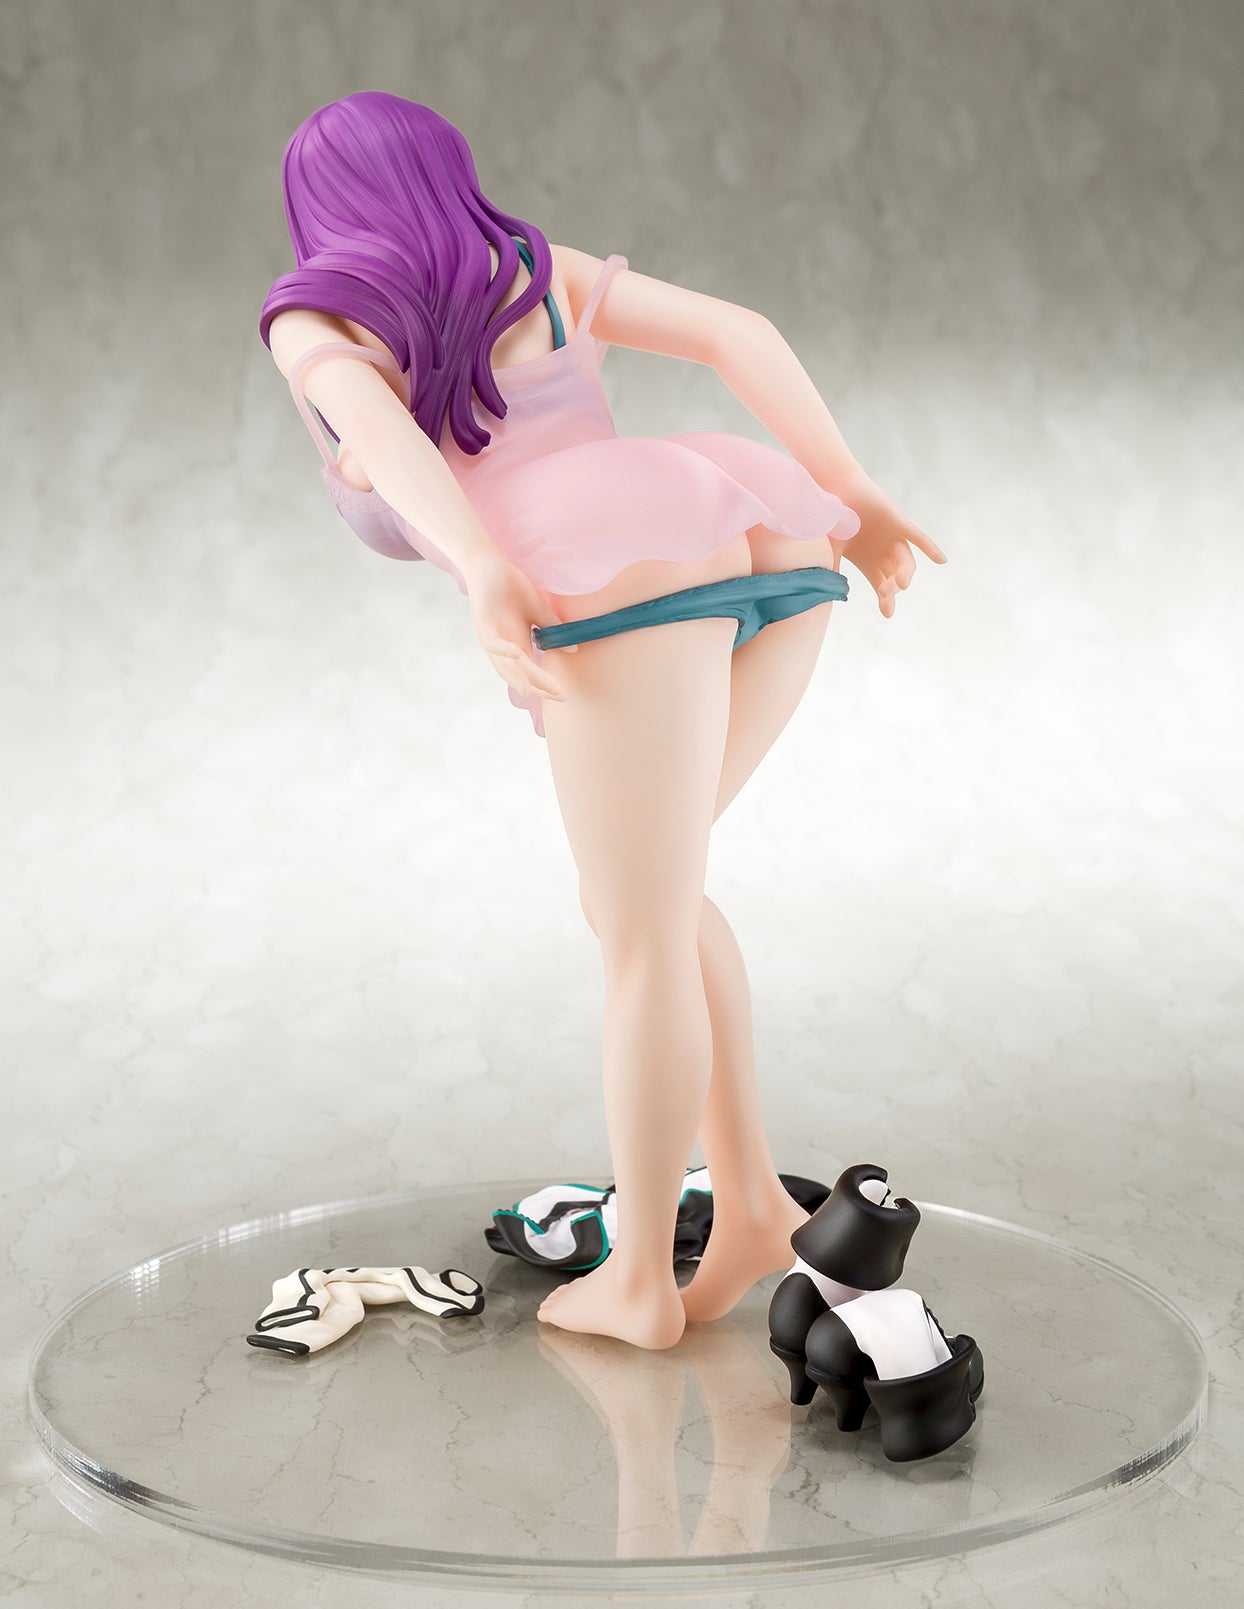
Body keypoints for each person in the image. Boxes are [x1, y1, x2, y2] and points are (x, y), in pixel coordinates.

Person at [260, 92, 946, 1350]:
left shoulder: (319, 318)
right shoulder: (531, 268)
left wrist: (482, 565)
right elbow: (736, 331)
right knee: (655, 901)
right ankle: (749, 1200)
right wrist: (849, 490)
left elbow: (389, 445)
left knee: (637, 931)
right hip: (762, 526)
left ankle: (637, 1278)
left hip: (615, 576)